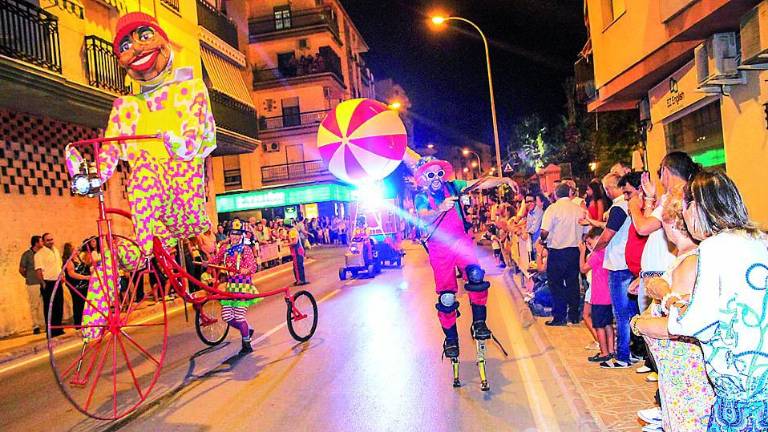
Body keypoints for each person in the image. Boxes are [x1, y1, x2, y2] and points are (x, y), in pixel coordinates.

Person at [661, 170, 768, 431]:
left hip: (739, 381)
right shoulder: (761, 239)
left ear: (697, 207)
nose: (684, 216)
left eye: (686, 208)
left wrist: (671, 302)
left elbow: (698, 323)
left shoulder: (713, 247)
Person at [413, 157, 515, 359]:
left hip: (460, 242)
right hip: (439, 247)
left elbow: (479, 183)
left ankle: (479, 323)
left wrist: (503, 180)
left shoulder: (453, 187)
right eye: (431, 174)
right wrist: (440, 208)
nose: (436, 178)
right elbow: (424, 216)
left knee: (476, 275)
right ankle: (451, 339)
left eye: (439, 173)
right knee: (447, 297)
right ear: (424, 178)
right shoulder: (421, 197)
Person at [631, 190, 714, 432]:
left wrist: (637, 324)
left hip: (684, 372)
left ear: (671, 222)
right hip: (676, 371)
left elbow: (676, 325)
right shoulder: (684, 258)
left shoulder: (689, 262)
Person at [592, 173, 637, 368]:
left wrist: (595, 249)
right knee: (631, 312)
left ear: (611, 188)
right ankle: (634, 351)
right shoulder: (631, 205)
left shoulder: (619, 207)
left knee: (620, 313)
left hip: (618, 264)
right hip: (628, 262)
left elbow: (607, 235)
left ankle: (622, 356)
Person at [207, 218, 261, 354]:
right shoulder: (225, 248)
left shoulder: (246, 249)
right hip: (231, 287)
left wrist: (247, 270)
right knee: (226, 316)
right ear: (229, 234)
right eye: (232, 233)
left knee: (239, 317)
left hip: (243, 286)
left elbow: (253, 265)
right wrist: (206, 263)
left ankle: (246, 343)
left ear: (241, 235)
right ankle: (247, 330)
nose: (235, 236)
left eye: (238, 234)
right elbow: (216, 259)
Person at [539, 183, 586, 326]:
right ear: (569, 193)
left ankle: (559, 317)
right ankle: (574, 315)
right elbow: (585, 231)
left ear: (555, 194)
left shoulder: (552, 209)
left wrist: (542, 240)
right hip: (574, 251)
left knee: (556, 285)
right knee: (573, 284)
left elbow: (544, 231)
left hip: (557, 252)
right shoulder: (579, 210)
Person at [579, 227, 614, 363]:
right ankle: (611, 350)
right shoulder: (608, 251)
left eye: (590, 242)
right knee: (608, 324)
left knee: (599, 325)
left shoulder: (597, 253)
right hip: (609, 294)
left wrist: (582, 253)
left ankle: (604, 352)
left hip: (599, 295)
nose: (589, 246)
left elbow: (583, 269)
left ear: (597, 238)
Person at [34, 233, 63, 337]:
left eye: (52, 239)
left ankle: (59, 329)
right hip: (48, 283)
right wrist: (43, 283)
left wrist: (62, 276)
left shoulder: (56, 250)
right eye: (48, 240)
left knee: (59, 305)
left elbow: (59, 265)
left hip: (58, 281)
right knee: (50, 307)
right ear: (43, 241)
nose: (50, 241)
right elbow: (38, 270)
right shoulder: (39, 254)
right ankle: (51, 331)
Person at [19, 235, 45, 334]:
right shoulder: (27, 255)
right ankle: (36, 326)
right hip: (33, 283)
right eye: (41, 241)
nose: (42, 243)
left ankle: (45, 323)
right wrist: (29, 276)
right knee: (34, 305)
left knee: (44, 303)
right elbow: (21, 270)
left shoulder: (43, 253)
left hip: (44, 281)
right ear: (36, 243)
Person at [62, 242, 90, 327]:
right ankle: (78, 324)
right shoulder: (69, 262)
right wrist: (85, 277)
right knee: (79, 304)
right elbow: (71, 274)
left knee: (85, 303)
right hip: (76, 286)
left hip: (84, 285)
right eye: (74, 249)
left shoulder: (78, 258)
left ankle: (86, 321)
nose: (77, 250)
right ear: (70, 251)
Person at [286, 220, 309, 286]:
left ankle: (299, 281)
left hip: (296, 250)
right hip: (299, 250)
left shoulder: (292, 231)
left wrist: (286, 244)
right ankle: (302, 279)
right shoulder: (294, 230)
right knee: (300, 265)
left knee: (297, 266)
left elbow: (295, 242)